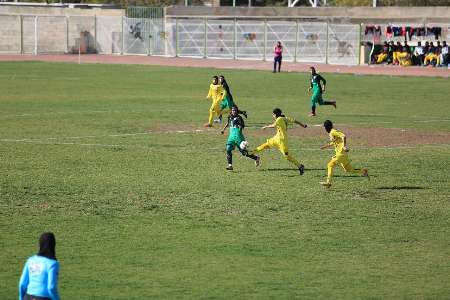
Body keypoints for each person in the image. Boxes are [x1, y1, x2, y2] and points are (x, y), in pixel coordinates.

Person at [251, 108, 307, 175]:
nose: (272, 115)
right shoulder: (283, 118)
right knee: (265, 145)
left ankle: (300, 166)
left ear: (275, 114)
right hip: (276, 139)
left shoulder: (279, 119)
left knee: (287, 157)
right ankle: (250, 152)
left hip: (282, 141)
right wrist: (302, 125)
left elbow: (273, 125)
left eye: (273, 114)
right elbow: (294, 120)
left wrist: (266, 126)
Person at [320, 120, 369, 188]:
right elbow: (335, 141)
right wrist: (325, 146)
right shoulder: (331, 133)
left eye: (325, 127)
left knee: (330, 165)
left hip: (341, 154)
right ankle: (363, 171)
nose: (324, 129)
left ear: (327, 127)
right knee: (348, 170)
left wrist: (344, 146)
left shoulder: (333, 131)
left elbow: (344, 136)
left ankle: (328, 182)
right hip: (343, 155)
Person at [19, 232, 60, 300]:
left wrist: (21, 298)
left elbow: (22, 284)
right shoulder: (52, 264)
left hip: (28, 297)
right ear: (53, 245)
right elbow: (51, 287)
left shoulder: (30, 260)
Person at [221, 105, 259, 171]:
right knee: (228, 149)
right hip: (231, 137)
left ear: (237, 111)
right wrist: (223, 129)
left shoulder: (239, 118)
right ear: (231, 111)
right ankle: (230, 165)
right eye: (233, 110)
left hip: (238, 136)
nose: (234, 111)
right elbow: (228, 123)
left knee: (244, 153)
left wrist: (238, 126)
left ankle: (256, 158)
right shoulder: (229, 116)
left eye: (235, 110)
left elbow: (242, 127)